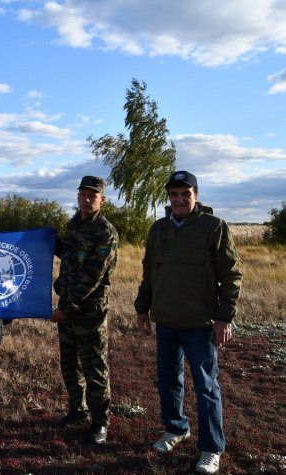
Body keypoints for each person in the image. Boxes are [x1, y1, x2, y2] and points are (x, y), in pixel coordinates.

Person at [135, 171, 242, 474]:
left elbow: (232, 275)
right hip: (167, 321)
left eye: (186, 193)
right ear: (169, 197)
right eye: (174, 194)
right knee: (167, 380)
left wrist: (224, 317)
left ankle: (211, 449)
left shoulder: (213, 227)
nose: (179, 199)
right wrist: (143, 309)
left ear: (196, 194)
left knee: (206, 387)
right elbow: (149, 274)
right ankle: (176, 428)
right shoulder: (158, 230)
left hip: (200, 324)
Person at [51, 176, 118, 444]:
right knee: (69, 364)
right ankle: (77, 411)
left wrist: (66, 307)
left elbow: (93, 276)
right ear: (78, 196)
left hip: (88, 311)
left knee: (94, 368)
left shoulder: (105, 232)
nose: (87, 199)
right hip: (68, 307)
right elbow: (68, 255)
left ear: (102, 200)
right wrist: (45, 240)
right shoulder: (73, 225)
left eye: (93, 195)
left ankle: (100, 422)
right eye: (83, 194)